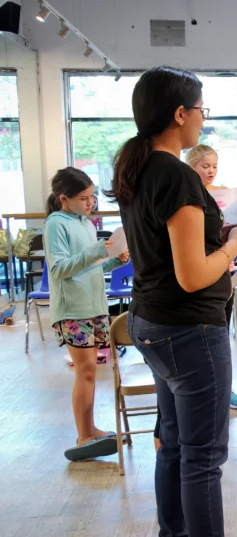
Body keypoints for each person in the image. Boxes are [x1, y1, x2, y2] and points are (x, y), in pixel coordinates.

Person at [109, 66, 237, 537]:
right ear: (179, 114)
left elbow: (166, 252)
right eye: (201, 109)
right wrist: (233, 246)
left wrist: (215, 238)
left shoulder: (138, 170)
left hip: (150, 322)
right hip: (189, 330)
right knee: (203, 458)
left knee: (175, 444)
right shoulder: (175, 175)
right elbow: (191, 275)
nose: (203, 118)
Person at [44, 167, 127, 461]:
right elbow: (59, 269)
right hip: (72, 309)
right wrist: (95, 252)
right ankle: (83, 436)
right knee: (86, 372)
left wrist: (114, 262)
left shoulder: (86, 223)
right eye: (84, 197)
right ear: (64, 198)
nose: (90, 202)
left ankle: (90, 429)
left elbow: (89, 268)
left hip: (94, 307)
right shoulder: (56, 223)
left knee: (92, 371)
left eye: (92, 196)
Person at [186, 143, 237, 411]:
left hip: (226, 271)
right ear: (192, 167)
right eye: (205, 166)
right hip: (201, 274)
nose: (211, 171)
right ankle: (204, 390)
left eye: (214, 166)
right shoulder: (187, 197)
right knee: (201, 339)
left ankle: (225, 387)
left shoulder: (225, 194)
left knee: (222, 336)